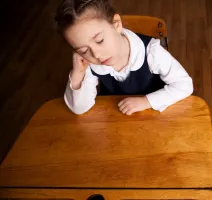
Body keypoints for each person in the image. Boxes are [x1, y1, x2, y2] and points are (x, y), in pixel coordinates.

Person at [54, 0, 193, 115]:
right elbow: (79, 109)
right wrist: (77, 74)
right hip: (116, 120)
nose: (96, 55)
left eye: (100, 40)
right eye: (83, 50)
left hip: (154, 115)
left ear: (116, 24)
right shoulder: (89, 63)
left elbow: (184, 85)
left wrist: (146, 101)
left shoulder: (152, 52)